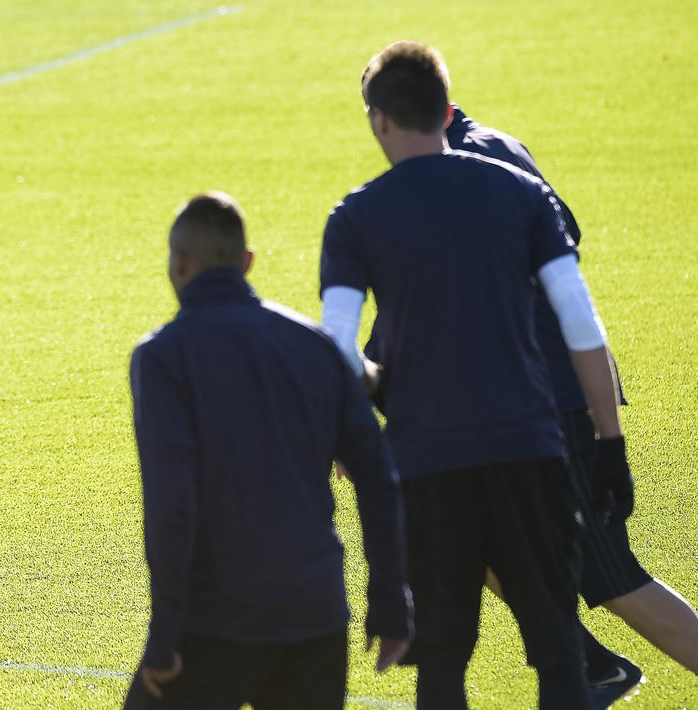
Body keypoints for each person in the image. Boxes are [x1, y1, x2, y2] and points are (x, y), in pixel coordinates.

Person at [320, 41, 634, 709]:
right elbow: (580, 327)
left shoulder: (355, 216)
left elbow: (336, 351)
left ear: (379, 120)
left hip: (428, 465)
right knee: (556, 653)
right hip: (530, 452)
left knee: (441, 664)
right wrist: (609, 443)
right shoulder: (519, 193)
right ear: (444, 109)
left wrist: (378, 392)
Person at [364, 102, 698, 703]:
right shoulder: (489, 149)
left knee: (611, 576)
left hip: (549, 399)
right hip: (524, 397)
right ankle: (590, 664)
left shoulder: (467, 164)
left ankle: (588, 665)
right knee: (474, 536)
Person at [124, 192, 413, 710]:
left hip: (216, 621)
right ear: (247, 262)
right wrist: (391, 602)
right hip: (315, 613)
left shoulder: (162, 357)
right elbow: (377, 475)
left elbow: (173, 505)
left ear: (179, 263)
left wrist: (164, 635)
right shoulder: (316, 346)